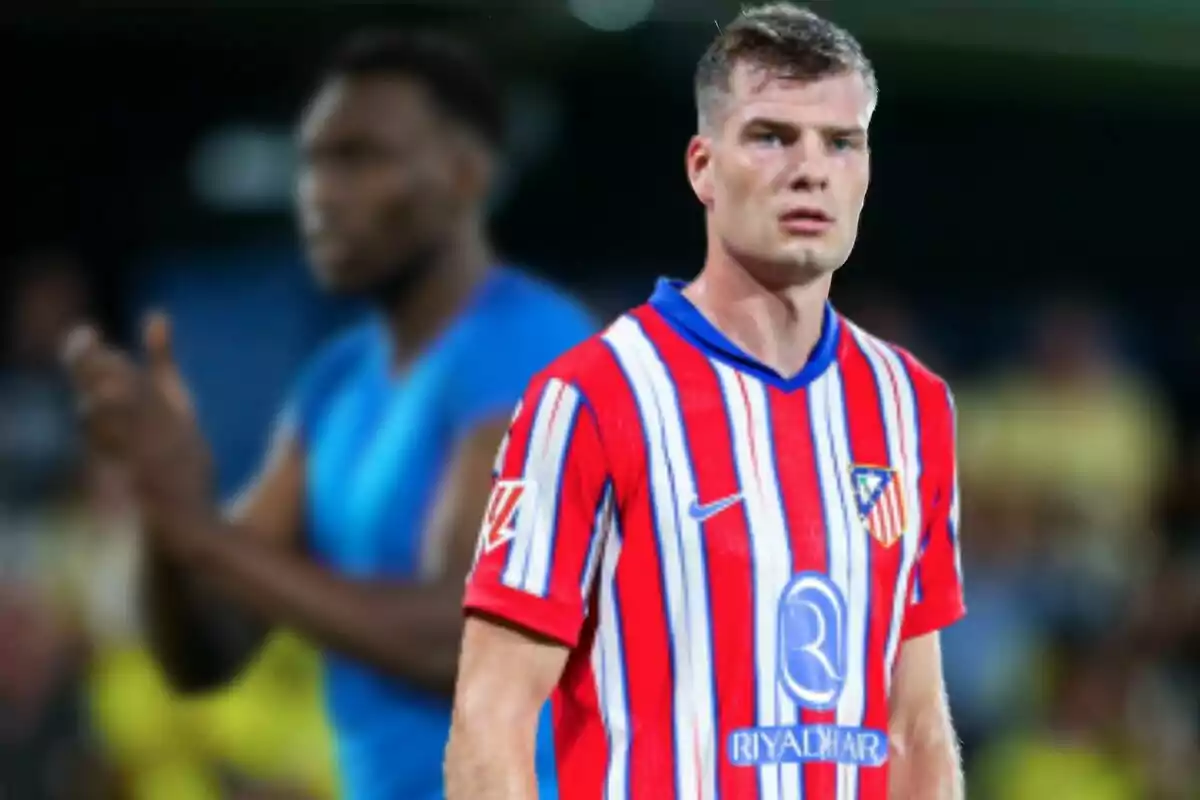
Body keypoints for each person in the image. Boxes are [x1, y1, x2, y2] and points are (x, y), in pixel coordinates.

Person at [446, 4, 966, 799]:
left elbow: (916, 722)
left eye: (840, 141)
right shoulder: (594, 395)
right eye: (770, 136)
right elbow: (491, 717)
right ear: (702, 167)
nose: (810, 169)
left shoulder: (912, 406)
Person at [63, 30, 594, 800]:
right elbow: (206, 652)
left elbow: (471, 639)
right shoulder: (338, 382)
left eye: (363, 158)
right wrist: (161, 498)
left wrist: (200, 534)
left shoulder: (533, 346)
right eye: (314, 161)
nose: (321, 191)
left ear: (465, 177)